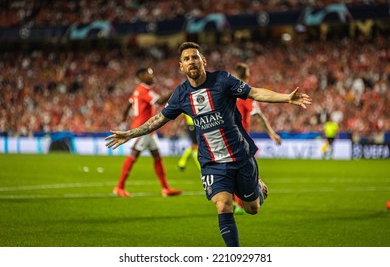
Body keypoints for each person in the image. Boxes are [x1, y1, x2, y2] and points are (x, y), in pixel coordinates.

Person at [105, 42, 312, 246]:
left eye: (195, 57)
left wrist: (286, 98)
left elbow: (255, 92)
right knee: (223, 205)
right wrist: (130, 134)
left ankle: (257, 186)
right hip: (212, 162)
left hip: (240, 156)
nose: (191, 61)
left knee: (252, 208)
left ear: (203, 61)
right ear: (181, 66)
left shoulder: (222, 80)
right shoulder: (181, 94)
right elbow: (158, 119)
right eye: (186, 59)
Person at [113, 67, 182, 198]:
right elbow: (160, 101)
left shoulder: (137, 90)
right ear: (142, 76)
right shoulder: (144, 90)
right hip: (142, 129)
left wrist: (124, 117)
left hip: (150, 130)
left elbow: (129, 103)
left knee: (157, 157)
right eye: (150, 74)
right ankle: (119, 187)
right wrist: (176, 90)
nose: (152, 76)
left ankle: (165, 188)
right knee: (133, 155)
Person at [232, 62, 282, 215]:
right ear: (247, 75)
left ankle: (242, 201)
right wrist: (272, 133)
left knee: (236, 171)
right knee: (236, 171)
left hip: (230, 140)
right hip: (240, 141)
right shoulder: (246, 94)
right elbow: (259, 116)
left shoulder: (228, 92)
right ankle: (240, 201)